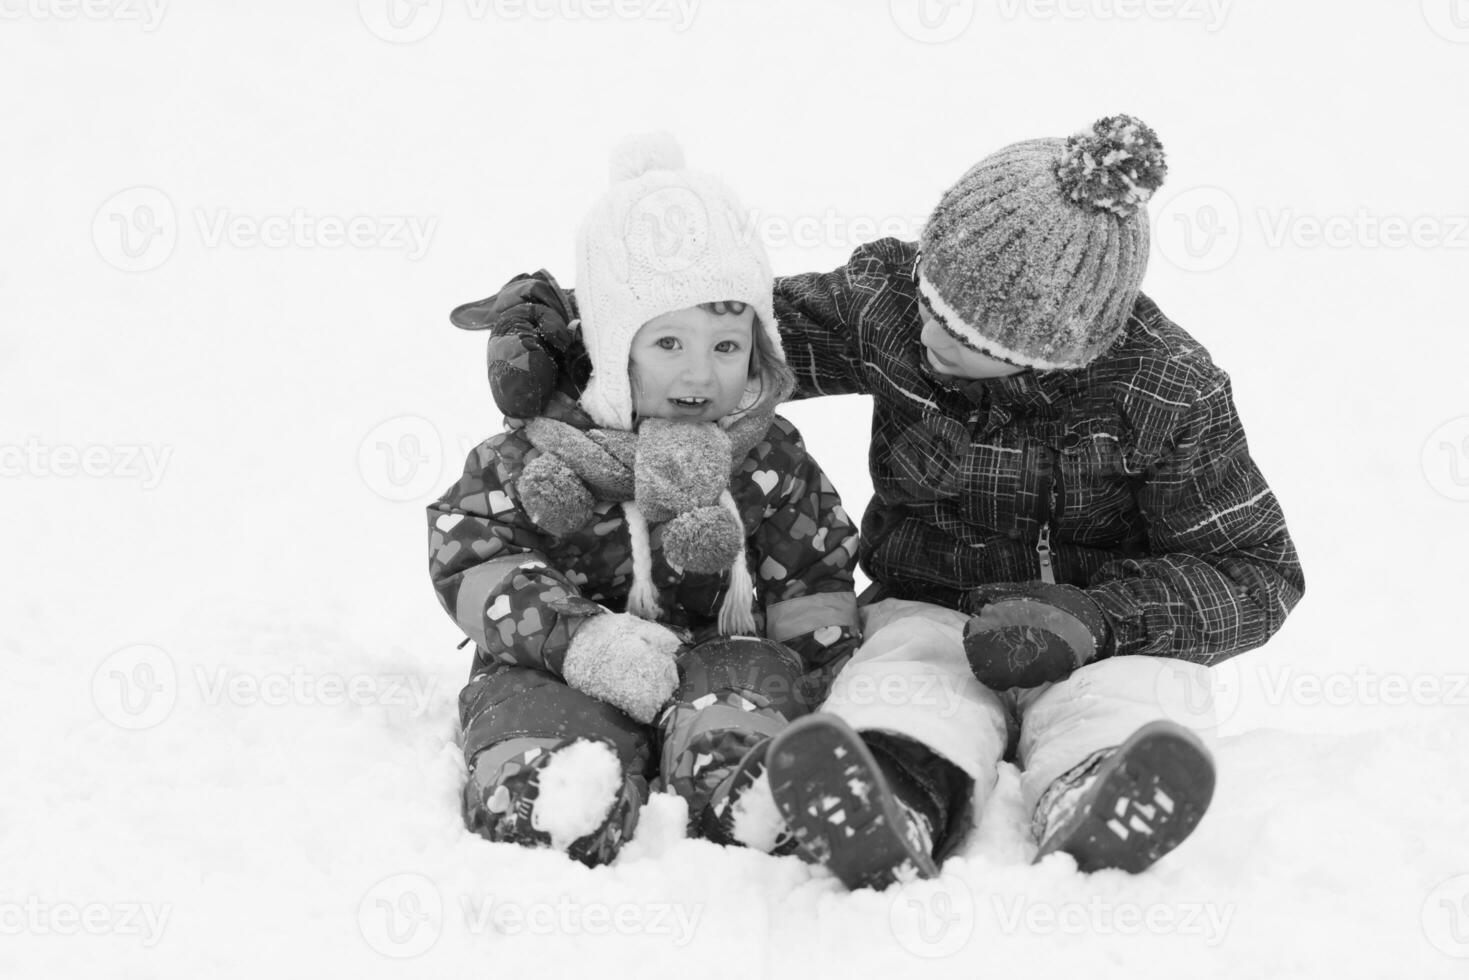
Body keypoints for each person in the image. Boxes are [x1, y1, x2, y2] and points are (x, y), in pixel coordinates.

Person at [470, 116, 1305, 889]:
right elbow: (726, 329)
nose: (933, 334)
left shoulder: (1165, 393)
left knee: (1134, 695)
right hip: (931, 603)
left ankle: (1095, 791)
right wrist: (569, 327)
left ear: (1057, 353)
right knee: (903, 675)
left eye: (975, 341)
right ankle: (893, 792)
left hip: (1102, 631)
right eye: (933, 300)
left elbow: (1256, 571)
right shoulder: (892, 307)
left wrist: (1099, 620)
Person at [428, 134, 862, 867]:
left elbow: (813, 571)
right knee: (534, 708)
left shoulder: (767, 453)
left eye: (727, 347)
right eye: (668, 344)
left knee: (746, 694)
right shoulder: (536, 452)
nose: (701, 372)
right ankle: (551, 788)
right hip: (562, 658)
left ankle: (741, 781)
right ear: (611, 344)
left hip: (725, 654)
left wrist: (830, 674)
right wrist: (581, 642)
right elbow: (473, 557)